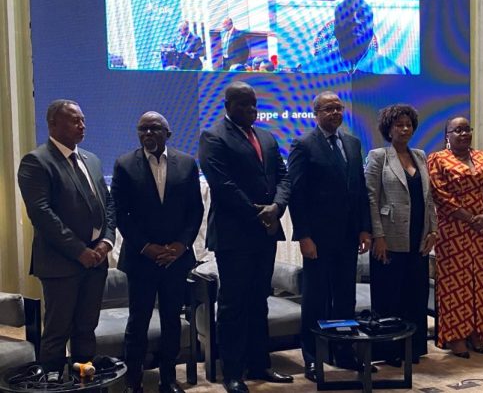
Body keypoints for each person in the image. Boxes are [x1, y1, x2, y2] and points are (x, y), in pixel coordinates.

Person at [199, 81, 293, 393]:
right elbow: (222, 185)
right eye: (243, 104)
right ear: (227, 105)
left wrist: (277, 207)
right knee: (233, 305)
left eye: (253, 103)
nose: (251, 109)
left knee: (259, 300)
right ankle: (233, 372)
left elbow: (283, 177)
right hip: (234, 235)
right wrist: (259, 214)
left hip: (266, 232)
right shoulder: (213, 136)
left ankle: (259, 364)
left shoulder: (266, 136)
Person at [17, 99, 115, 374]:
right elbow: (42, 214)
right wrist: (79, 251)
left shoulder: (92, 160)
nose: (82, 125)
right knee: (57, 332)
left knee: (86, 329)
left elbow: (108, 204)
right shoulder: (37, 161)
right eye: (74, 120)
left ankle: (85, 382)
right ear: (53, 124)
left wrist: (106, 242)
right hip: (61, 264)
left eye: (83, 119)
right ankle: (54, 383)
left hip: (96, 261)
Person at [111, 111, 204, 393]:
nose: (148, 133)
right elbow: (121, 213)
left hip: (176, 259)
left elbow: (195, 210)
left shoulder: (186, 163)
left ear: (168, 133)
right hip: (141, 259)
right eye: (143, 129)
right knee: (138, 322)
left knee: (171, 321)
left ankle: (168, 379)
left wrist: (181, 245)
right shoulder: (125, 164)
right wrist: (146, 247)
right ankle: (133, 381)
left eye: (154, 128)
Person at [287, 91, 372, 381]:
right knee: (316, 300)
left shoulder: (352, 142)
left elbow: (359, 189)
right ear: (316, 113)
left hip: (348, 237)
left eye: (339, 107)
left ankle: (344, 352)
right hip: (318, 239)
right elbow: (297, 194)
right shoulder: (303, 144)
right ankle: (313, 358)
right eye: (328, 109)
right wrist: (304, 236)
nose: (335, 113)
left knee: (345, 298)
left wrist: (364, 228)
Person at [427, 116, 483, 358]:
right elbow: (440, 194)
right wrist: (469, 217)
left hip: (481, 230)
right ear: (447, 135)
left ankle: (477, 332)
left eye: (467, 129)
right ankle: (456, 337)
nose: (464, 134)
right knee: (456, 285)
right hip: (453, 230)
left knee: (482, 282)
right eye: (457, 130)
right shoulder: (437, 159)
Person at [364, 104, 437, 365]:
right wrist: (378, 236)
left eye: (408, 125)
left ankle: (413, 349)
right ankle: (389, 351)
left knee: (415, 295)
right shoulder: (378, 156)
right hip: (389, 238)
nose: (404, 129)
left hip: (418, 238)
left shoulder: (420, 155)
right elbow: (371, 198)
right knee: (389, 297)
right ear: (389, 129)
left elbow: (429, 198)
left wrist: (433, 230)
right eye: (399, 125)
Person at [309, 0, 406, 75]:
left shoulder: (396, 72)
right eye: (346, 14)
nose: (354, 20)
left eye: (362, 14)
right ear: (335, 28)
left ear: (372, 27)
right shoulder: (311, 70)